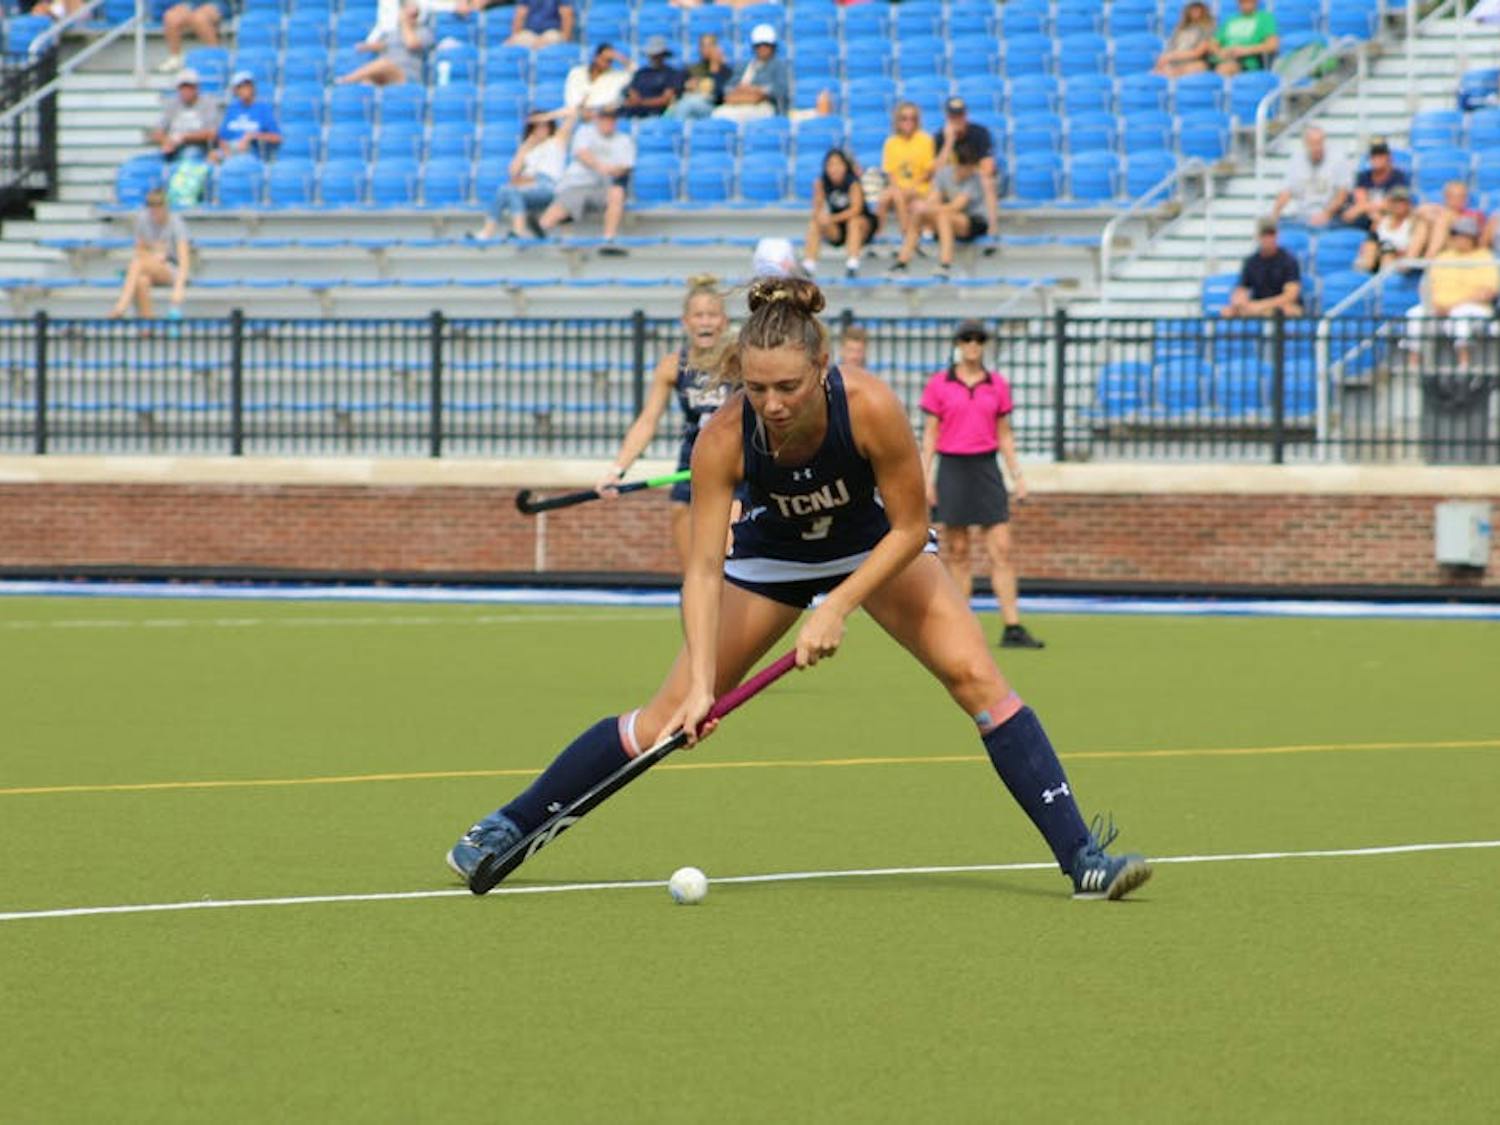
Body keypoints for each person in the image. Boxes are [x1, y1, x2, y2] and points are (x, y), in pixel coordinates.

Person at [446, 277, 1152, 902]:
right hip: (771, 559)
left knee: (976, 676)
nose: (772, 404)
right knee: (662, 719)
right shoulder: (723, 437)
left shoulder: (871, 407)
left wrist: (839, 604)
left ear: (822, 367)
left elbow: (910, 528)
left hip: (874, 547)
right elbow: (700, 568)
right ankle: (509, 822)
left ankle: (1082, 856)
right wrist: (699, 686)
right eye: (756, 389)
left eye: (788, 387)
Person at [595, 276, 736, 567]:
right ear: (686, 322)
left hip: (737, 458)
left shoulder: (739, 361)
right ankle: (695, 592)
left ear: (724, 322)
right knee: (681, 518)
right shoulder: (672, 365)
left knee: (728, 545)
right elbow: (647, 421)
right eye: (698, 315)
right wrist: (617, 469)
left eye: (712, 315)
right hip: (695, 458)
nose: (705, 322)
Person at [920, 320, 1042, 651]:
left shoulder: (997, 385)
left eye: (979, 340)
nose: (973, 345)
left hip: (986, 467)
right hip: (953, 467)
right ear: (958, 344)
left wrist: (1018, 476)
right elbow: (931, 433)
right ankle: (963, 627)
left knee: (1001, 548)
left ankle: (1012, 625)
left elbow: (1004, 433)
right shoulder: (939, 384)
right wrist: (925, 476)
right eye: (967, 339)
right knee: (958, 551)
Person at [1404, 215, 1499, 372]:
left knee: (1460, 314)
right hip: (1439, 307)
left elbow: (1489, 291)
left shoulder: (1485, 258)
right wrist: (1434, 303)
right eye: (1456, 234)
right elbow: (1426, 286)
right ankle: (1413, 364)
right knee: (1415, 314)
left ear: (1473, 238)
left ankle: (1464, 363)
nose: (1460, 239)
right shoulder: (1442, 257)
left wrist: (1453, 305)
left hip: (1474, 308)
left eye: (1464, 235)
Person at [536, 103, 635, 253]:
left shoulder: (624, 140)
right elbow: (582, 154)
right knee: (570, 200)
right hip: (578, 183)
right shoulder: (585, 132)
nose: (608, 122)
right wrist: (602, 167)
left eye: (611, 119)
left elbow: (625, 167)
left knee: (617, 193)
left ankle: (608, 241)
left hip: (602, 186)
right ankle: (537, 231)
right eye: (604, 118)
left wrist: (608, 170)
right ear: (598, 119)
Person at [473, 111, 576, 241]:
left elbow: (572, 114)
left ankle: (518, 230)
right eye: (536, 126)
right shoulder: (528, 150)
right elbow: (513, 172)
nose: (540, 129)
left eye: (544, 125)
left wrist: (546, 116)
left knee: (511, 191)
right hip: (529, 186)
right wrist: (525, 147)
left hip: (548, 186)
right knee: (503, 190)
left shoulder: (556, 142)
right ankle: (487, 232)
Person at [891, 142, 988, 280]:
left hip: (974, 220)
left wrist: (926, 207)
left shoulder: (974, 179)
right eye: (968, 167)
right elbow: (934, 198)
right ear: (959, 165)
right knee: (919, 215)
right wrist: (922, 207)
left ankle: (945, 263)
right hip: (949, 218)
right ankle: (902, 262)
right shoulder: (944, 174)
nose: (971, 170)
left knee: (943, 215)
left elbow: (956, 206)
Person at [107, 188, 191, 320]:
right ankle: (147, 325)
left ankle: (121, 307)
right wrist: (153, 252)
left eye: (158, 205)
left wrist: (178, 288)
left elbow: (184, 260)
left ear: (165, 206)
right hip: (150, 263)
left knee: (137, 263)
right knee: (141, 281)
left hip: (171, 268)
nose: (154, 209)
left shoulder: (176, 224)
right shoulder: (143, 219)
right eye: (151, 205)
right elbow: (139, 249)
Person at [802, 149, 875, 279]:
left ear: (845, 166)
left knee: (854, 222)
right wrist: (822, 216)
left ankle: (852, 264)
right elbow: (816, 210)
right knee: (816, 223)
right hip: (838, 227)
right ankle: (809, 264)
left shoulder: (853, 182)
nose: (833, 169)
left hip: (861, 225)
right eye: (830, 165)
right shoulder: (822, 182)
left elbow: (856, 210)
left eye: (837, 164)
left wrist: (832, 218)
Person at [934, 98, 999, 240]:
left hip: (974, 182)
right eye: (953, 117)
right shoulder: (941, 137)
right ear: (948, 118)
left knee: (987, 181)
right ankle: (932, 230)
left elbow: (988, 167)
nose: (957, 120)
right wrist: (949, 142)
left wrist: (966, 172)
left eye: (960, 116)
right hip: (953, 183)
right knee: (937, 186)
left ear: (966, 115)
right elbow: (937, 173)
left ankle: (992, 230)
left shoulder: (979, 133)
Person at [875, 102, 936, 246]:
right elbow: (890, 172)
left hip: (920, 187)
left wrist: (910, 187)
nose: (908, 122)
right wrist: (897, 187)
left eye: (912, 118)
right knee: (885, 197)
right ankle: (877, 235)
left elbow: (929, 171)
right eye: (904, 118)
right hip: (898, 187)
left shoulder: (925, 140)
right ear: (897, 121)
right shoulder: (891, 143)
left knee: (898, 195)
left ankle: (906, 234)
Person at [1270, 126, 1351, 228]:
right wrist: (1275, 213)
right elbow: (1286, 192)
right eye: (1313, 144)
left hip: (1332, 216)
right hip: (1302, 216)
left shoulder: (1338, 159)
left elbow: (1342, 194)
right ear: (1306, 144)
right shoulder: (1296, 161)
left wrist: (1326, 214)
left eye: (1319, 143)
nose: (1317, 147)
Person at [1222, 217, 1303, 317]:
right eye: (1264, 235)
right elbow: (1241, 289)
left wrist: (1261, 305)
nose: (1268, 239)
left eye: (1271, 234)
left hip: (1280, 306)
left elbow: (1291, 295)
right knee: (1227, 312)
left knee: (1289, 310)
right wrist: (1239, 302)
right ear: (1258, 237)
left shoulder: (1289, 260)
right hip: (1258, 307)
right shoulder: (1251, 262)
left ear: (1277, 236)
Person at [338, 1, 431, 87]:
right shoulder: (392, 33)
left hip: (406, 77)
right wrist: (367, 46)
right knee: (368, 81)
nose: (409, 17)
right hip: (385, 76)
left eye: (414, 15)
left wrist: (405, 24)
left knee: (383, 64)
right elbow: (383, 45)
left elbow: (412, 44)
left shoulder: (423, 32)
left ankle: (345, 80)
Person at [712, 23, 788, 122]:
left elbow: (780, 90)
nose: (762, 48)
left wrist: (758, 89)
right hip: (739, 103)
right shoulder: (745, 66)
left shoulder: (778, 65)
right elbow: (728, 87)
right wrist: (740, 89)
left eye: (766, 45)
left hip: (763, 105)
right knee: (718, 114)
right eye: (758, 45)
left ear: (772, 47)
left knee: (741, 117)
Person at [150, 69, 220, 164]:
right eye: (182, 87)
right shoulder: (172, 104)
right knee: (150, 160)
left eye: (189, 87)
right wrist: (166, 141)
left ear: (196, 88)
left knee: (189, 155)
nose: (186, 91)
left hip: (198, 147)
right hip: (173, 148)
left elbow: (212, 133)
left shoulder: (207, 104)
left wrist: (184, 137)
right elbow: (157, 131)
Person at [210, 71, 281, 163]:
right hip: (231, 150)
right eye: (240, 87)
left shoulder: (263, 108)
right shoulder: (233, 109)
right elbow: (222, 136)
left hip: (253, 152)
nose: (245, 89)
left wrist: (253, 136)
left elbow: (276, 137)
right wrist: (226, 150)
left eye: (247, 85)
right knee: (212, 156)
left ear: (253, 88)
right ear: (236, 90)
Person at [1340, 141, 1411, 229]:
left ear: (1389, 157)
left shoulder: (1398, 176)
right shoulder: (1363, 176)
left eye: (1381, 155)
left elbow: (1393, 204)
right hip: (1367, 216)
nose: (1377, 158)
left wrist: (1361, 208)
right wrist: (1373, 215)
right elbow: (1361, 200)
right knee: (1344, 218)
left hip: (1388, 216)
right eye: (1373, 156)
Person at [1354, 187, 1425, 273]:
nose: (1398, 205)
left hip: (1396, 262)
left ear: (1408, 203)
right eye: (1394, 201)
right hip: (1377, 258)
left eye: (1401, 201)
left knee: (1387, 249)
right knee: (1373, 243)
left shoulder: (1415, 223)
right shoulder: (1381, 222)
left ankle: (1385, 280)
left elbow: (1413, 252)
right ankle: (1364, 273)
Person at [1413, 180, 1488, 261]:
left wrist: (1447, 216)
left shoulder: (1474, 214)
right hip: (1435, 241)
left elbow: (1476, 237)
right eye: (1452, 196)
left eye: (1461, 196)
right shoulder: (1440, 211)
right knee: (1423, 223)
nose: (1457, 200)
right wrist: (1438, 212)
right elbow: (1419, 210)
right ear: (1445, 197)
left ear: (1466, 198)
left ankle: (1428, 261)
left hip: (1461, 245)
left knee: (1442, 220)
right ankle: (1409, 260)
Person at [669, 33, 733, 120]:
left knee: (689, 104)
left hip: (712, 108)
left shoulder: (725, 70)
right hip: (689, 102)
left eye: (710, 46)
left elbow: (719, 95)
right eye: (703, 46)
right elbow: (677, 88)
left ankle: (677, 129)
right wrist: (686, 86)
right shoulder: (693, 69)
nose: (706, 49)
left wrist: (714, 67)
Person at [154, 0, 226, 75]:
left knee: (199, 18)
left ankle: (216, 59)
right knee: (171, 16)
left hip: (219, 3)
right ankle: (175, 59)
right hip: (193, 3)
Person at [621, 36, 685, 118]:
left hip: (656, 113)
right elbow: (631, 89)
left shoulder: (671, 73)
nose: (654, 57)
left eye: (657, 55)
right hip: (635, 111)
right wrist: (633, 97)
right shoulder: (641, 72)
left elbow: (667, 98)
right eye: (653, 55)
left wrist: (642, 102)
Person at [563, 44, 634, 115]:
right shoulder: (577, 72)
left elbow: (634, 74)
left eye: (609, 61)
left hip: (600, 116)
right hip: (575, 115)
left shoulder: (615, 77)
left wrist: (620, 57)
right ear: (596, 57)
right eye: (603, 59)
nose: (605, 64)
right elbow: (571, 97)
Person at [1213, 0, 1278, 76]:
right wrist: (1220, 52)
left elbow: (1273, 45)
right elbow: (1213, 42)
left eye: (1248, 1)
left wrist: (1246, 50)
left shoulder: (1265, 18)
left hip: (1246, 61)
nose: (1245, 4)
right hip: (1223, 58)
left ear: (1256, 2)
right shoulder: (1231, 18)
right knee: (1197, 68)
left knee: (1225, 68)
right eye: (1242, 2)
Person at [1155, 1, 1217, 77]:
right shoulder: (1180, 29)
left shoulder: (1209, 28)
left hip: (1195, 62)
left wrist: (1171, 56)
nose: (1195, 11)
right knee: (1155, 73)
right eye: (1193, 9)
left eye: (1198, 9)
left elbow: (1197, 53)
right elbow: (1171, 47)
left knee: (1191, 68)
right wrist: (1165, 58)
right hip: (1175, 62)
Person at [506, 0, 575, 48]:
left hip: (553, 31)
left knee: (544, 44)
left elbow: (567, 14)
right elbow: (520, 14)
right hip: (530, 32)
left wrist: (566, 39)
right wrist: (514, 36)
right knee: (508, 46)